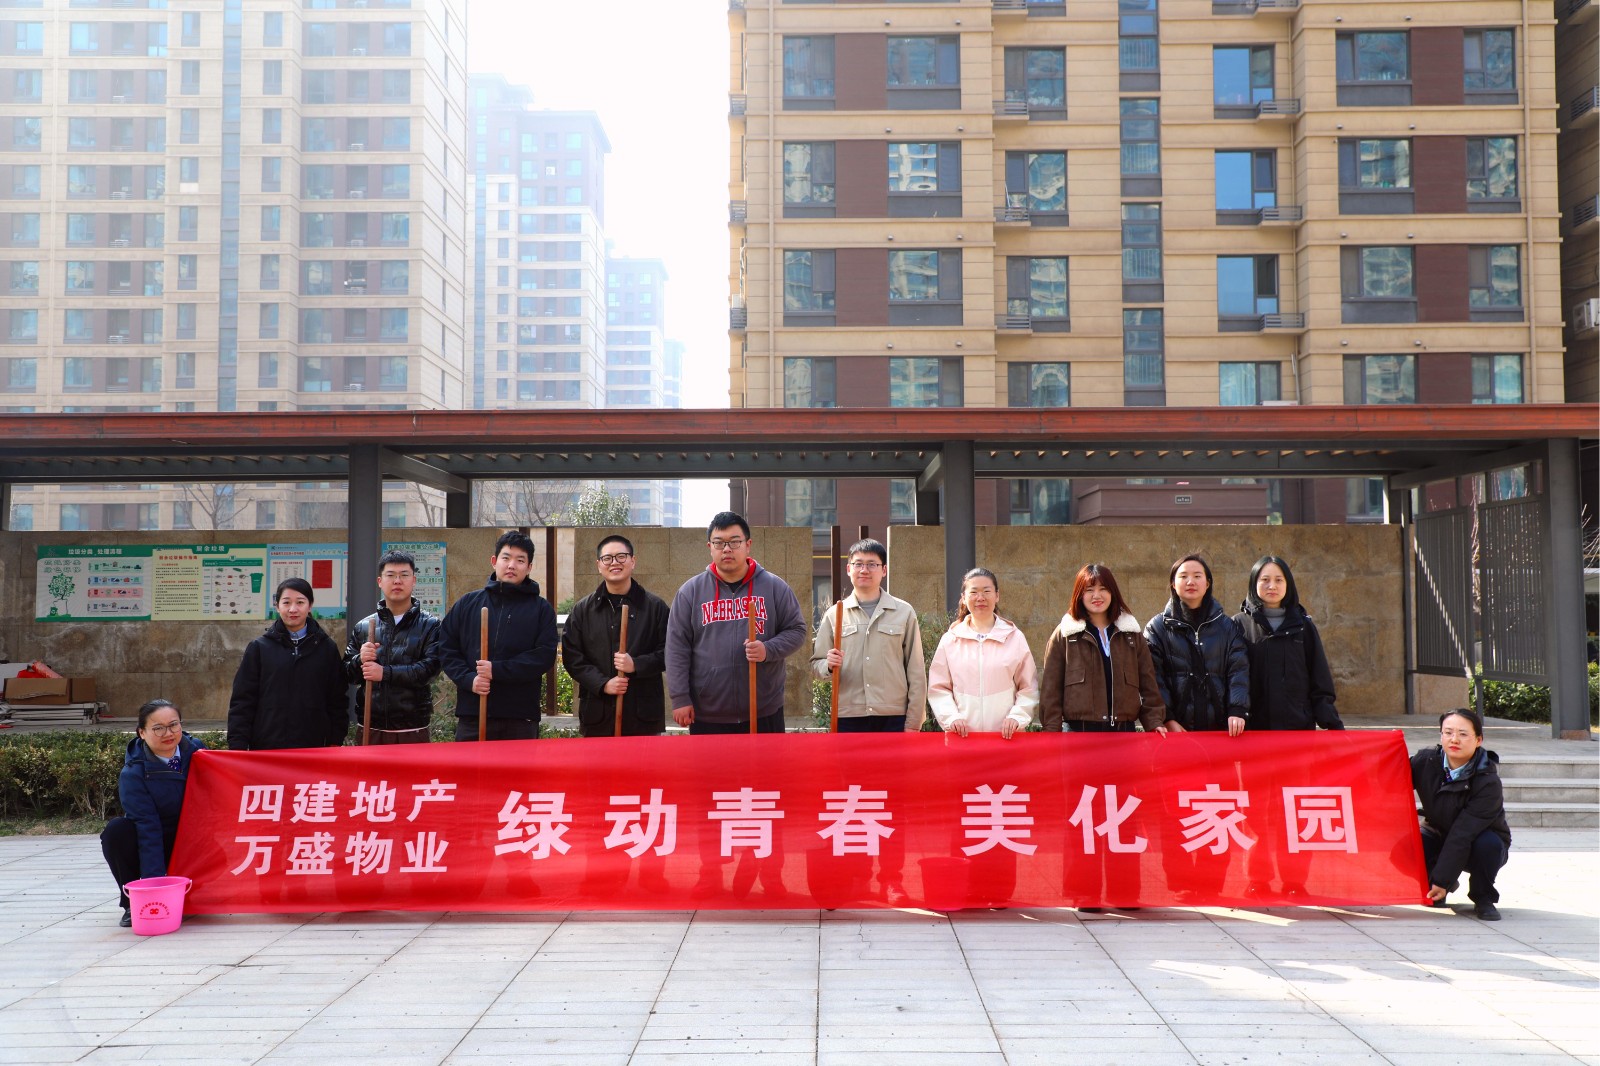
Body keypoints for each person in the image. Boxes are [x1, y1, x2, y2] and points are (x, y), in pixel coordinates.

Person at [665, 511, 808, 734]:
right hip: (708, 713)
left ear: (748, 545)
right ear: (710, 547)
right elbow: (676, 648)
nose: (727, 549)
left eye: (734, 542)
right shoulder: (690, 592)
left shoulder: (774, 587)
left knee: (766, 759)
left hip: (763, 710)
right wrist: (680, 697)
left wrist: (768, 650)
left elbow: (797, 630)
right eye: (719, 543)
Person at [439, 530, 559, 741]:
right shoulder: (468, 604)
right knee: (470, 764)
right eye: (506, 558)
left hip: (520, 717)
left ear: (529, 567)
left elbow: (544, 656)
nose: (511, 565)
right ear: (494, 561)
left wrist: (497, 670)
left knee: (518, 765)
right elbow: (446, 648)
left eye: (520, 560)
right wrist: (469, 680)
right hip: (473, 713)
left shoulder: (541, 609)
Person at [101, 699, 205, 927]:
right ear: (142, 732)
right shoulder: (133, 773)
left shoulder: (198, 751)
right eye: (158, 728)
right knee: (117, 832)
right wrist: (154, 892)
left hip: (194, 839)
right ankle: (133, 902)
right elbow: (147, 828)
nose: (168, 733)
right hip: (158, 839)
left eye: (174, 725)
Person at [810, 538, 928, 733]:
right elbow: (816, 665)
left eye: (872, 564)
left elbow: (916, 670)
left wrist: (914, 722)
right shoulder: (835, 614)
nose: (864, 570)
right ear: (849, 569)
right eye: (858, 564)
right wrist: (828, 665)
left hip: (894, 716)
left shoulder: (904, 612)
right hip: (848, 716)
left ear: (884, 570)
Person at [562, 534, 670, 738]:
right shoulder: (583, 610)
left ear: (633, 561)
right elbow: (572, 657)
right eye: (607, 558)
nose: (614, 563)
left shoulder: (655, 607)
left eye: (621, 556)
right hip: (597, 715)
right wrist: (602, 683)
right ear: (598, 565)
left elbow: (670, 652)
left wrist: (636, 664)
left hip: (643, 717)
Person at [1039, 563, 1166, 734]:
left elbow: (1149, 685)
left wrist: (1154, 721)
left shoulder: (1131, 634)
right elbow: (1051, 691)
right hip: (1078, 735)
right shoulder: (1065, 635)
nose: (1097, 595)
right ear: (1079, 595)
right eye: (1089, 590)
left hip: (1124, 734)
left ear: (1112, 592)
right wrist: (1051, 731)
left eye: (1103, 589)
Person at [1410, 708, 1511, 920]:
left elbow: (1463, 833)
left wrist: (1443, 879)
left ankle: (1483, 897)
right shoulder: (1424, 761)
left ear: (1478, 740)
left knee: (1488, 845)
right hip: (1438, 832)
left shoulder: (1488, 781)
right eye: (1448, 732)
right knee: (1406, 846)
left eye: (1463, 734)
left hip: (1479, 840)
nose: (1454, 739)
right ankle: (1436, 886)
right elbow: (1389, 778)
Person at [228, 577, 349, 750]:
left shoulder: (326, 648)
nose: (293, 609)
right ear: (277, 606)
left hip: (313, 746)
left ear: (310, 606)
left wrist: (335, 739)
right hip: (267, 747)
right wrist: (237, 745)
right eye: (286, 602)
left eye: (300, 602)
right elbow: (242, 701)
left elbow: (337, 700)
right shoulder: (260, 648)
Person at [1233, 555, 1343, 732]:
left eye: (1279, 580)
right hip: (1252, 731)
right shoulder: (1238, 625)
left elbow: (1320, 679)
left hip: (1297, 729)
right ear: (1254, 583)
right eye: (1265, 580)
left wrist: (1333, 724)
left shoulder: (1304, 626)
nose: (1272, 586)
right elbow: (1233, 677)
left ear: (1288, 584)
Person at [344, 549, 443, 744]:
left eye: (404, 575)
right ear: (380, 581)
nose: (397, 581)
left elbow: (429, 670)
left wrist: (384, 673)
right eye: (390, 575)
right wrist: (359, 659)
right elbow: (347, 674)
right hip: (370, 727)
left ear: (413, 580)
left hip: (412, 728)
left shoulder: (430, 625)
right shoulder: (364, 626)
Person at [1144, 553, 1250, 736]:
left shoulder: (1227, 627)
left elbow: (1238, 670)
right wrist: (1167, 718)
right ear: (1173, 583)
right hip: (1175, 732)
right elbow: (1152, 677)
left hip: (1222, 732)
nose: (1190, 582)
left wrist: (1237, 710)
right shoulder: (1157, 628)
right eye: (1183, 576)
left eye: (1197, 576)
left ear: (1207, 583)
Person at [927, 568, 1038, 738]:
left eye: (987, 591)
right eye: (973, 592)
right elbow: (938, 688)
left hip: (1006, 738)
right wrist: (952, 718)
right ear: (964, 598)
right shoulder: (950, 640)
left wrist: (1017, 717)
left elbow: (1028, 687)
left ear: (997, 596)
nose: (980, 598)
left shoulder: (1014, 638)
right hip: (962, 738)